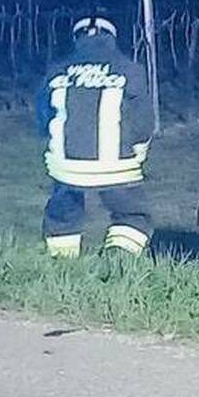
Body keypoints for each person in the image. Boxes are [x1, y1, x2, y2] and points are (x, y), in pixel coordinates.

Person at [35, 15, 153, 258]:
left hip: (65, 166)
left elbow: (42, 116)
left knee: (63, 213)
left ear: (76, 38)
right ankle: (119, 261)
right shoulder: (130, 69)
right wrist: (138, 152)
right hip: (116, 165)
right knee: (132, 214)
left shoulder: (57, 70)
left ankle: (62, 263)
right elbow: (143, 120)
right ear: (112, 38)